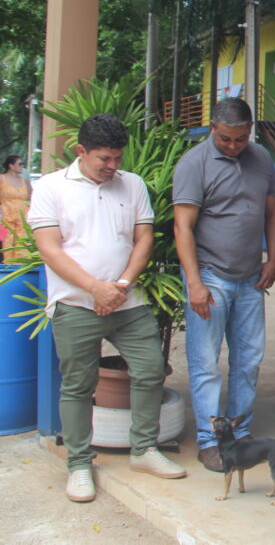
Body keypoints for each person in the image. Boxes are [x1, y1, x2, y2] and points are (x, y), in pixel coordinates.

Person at [27, 114, 187, 503]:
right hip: (75, 305)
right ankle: (79, 464)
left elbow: (143, 238)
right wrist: (94, 288)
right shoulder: (50, 187)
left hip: (127, 301)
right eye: (104, 158)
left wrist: (120, 286)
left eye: (117, 157)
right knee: (78, 385)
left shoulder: (132, 184)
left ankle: (144, 449)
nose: (113, 165)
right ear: (81, 151)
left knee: (150, 369)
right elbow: (49, 248)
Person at [173, 97, 275, 473]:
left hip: (251, 278)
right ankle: (210, 441)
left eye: (240, 138)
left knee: (249, 360)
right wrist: (194, 282)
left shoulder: (261, 158)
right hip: (210, 276)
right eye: (225, 139)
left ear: (250, 130)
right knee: (206, 363)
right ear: (212, 128)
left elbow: (272, 212)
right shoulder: (194, 164)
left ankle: (240, 432)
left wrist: (272, 258)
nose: (233, 146)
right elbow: (183, 226)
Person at [0, 154, 31, 261]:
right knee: (7, 243)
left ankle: (21, 267)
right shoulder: (1, 179)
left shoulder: (24, 181)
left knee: (23, 244)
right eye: (20, 164)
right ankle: (7, 266)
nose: (22, 166)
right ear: (11, 165)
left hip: (23, 217)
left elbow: (31, 198)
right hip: (6, 216)